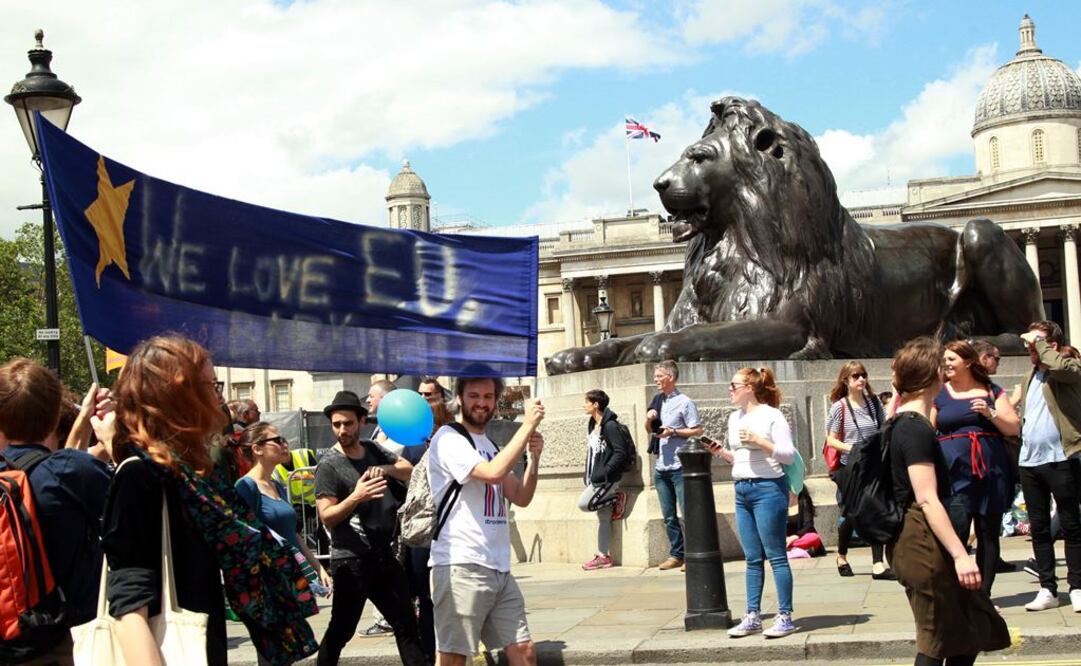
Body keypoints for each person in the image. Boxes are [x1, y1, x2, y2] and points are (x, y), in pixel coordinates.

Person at [99, 334, 319, 665]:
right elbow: (129, 604)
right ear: (177, 394)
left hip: (205, 643)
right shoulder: (140, 474)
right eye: (211, 386)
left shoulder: (197, 475)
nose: (220, 399)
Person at [886, 337, 1009, 665]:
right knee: (938, 639)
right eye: (941, 366)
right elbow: (927, 498)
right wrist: (961, 555)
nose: (946, 372)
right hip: (922, 543)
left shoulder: (908, 423)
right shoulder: (914, 429)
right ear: (932, 376)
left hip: (926, 540)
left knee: (967, 632)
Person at [427, 376, 545, 666]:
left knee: (524, 651)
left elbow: (520, 496)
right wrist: (527, 425)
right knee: (454, 658)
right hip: (461, 564)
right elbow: (492, 474)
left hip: (498, 566)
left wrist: (534, 459)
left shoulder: (489, 445)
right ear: (459, 398)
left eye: (488, 396)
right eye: (474, 396)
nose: (481, 403)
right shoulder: (448, 438)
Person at [0, 359, 112, 660]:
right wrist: (114, 437)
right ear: (54, 418)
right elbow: (131, 507)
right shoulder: (70, 471)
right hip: (66, 636)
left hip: (10, 633)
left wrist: (83, 421)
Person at [313, 390, 424, 665]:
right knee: (342, 630)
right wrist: (356, 496)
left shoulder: (373, 449)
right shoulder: (329, 465)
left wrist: (384, 470)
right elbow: (327, 516)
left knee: (406, 623)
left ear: (362, 421)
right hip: (350, 561)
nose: (342, 430)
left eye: (348, 423)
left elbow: (408, 469)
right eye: (337, 424)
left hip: (383, 556)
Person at [711, 367, 797, 638]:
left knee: (776, 556)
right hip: (742, 490)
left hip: (768, 489)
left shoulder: (772, 415)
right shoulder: (734, 417)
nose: (730, 390)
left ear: (749, 388)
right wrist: (721, 452)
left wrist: (760, 441)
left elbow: (788, 455)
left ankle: (785, 616)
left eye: (734, 386)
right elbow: (740, 458)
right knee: (752, 558)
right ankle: (752, 616)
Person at [931, 340, 1019, 598]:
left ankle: (983, 596)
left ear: (968, 362)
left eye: (951, 359)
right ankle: (957, 595)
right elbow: (927, 427)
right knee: (956, 529)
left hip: (990, 470)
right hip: (953, 472)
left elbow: (1013, 427)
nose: (946, 364)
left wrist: (990, 414)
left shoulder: (991, 390)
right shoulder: (939, 393)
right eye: (945, 359)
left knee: (988, 532)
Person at [1016, 321, 1081, 612]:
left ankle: (1077, 587)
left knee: (1071, 524)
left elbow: (1064, 368)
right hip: (1030, 461)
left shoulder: (1068, 369)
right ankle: (1048, 589)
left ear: (1051, 345)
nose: (1030, 348)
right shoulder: (1029, 376)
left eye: (1037, 343)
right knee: (1040, 528)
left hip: (1061, 458)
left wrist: (1041, 345)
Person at [236, 422, 332, 592]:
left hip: (293, 574)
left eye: (283, 439)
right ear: (257, 449)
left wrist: (319, 568)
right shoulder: (246, 487)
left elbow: (294, 534)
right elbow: (242, 539)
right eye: (277, 440)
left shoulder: (277, 486)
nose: (284, 444)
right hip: (270, 581)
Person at [824, 361, 893, 579]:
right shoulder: (840, 407)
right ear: (846, 380)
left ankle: (878, 564)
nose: (861, 379)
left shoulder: (874, 403)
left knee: (875, 509)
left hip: (873, 466)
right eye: (856, 376)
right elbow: (831, 440)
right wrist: (854, 449)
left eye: (863, 375)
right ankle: (841, 555)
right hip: (850, 468)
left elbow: (884, 427)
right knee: (851, 514)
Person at [650, 360, 702, 571]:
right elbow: (650, 430)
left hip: (680, 465)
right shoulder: (657, 401)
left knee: (687, 512)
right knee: (668, 515)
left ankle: (693, 553)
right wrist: (649, 420)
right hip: (661, 466)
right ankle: (676, 554)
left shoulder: (685, 402)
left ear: (670, 377)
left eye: (659, 376)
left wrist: (673, 432)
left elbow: (697, 430)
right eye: (655, 376)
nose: (656, 380)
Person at [578, 389, 631, 571]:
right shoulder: (592, 424)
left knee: (584, 504)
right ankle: (603, 556)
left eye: (587, 402)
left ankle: (616, 498)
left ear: (596, 404)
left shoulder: (610, 426)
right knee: (603, 517)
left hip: (606, 480)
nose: (584, 405)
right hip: (595, 478)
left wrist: (604, 473)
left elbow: (620, 453)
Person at [786, 488, 824, 558]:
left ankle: (790, 550)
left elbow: (809, 524)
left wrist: (794, 537)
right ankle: (799, 551)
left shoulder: (804, 501)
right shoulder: (779, 503)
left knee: (814, 537)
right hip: (784, 540)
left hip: (801, 537)